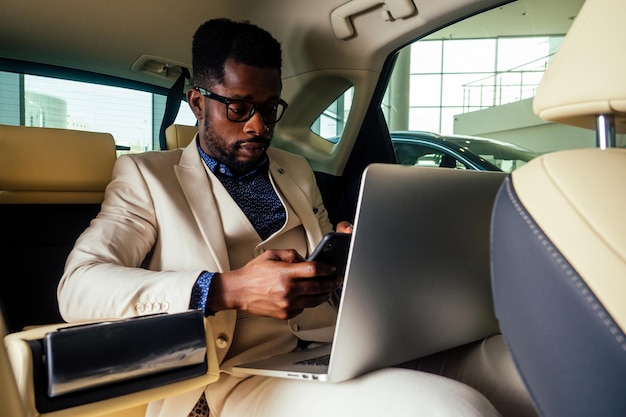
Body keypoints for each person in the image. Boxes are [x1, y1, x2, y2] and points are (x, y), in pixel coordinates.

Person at [58, 18, 525, 417]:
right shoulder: (145, 177)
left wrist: (351, 260)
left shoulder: (295, 169)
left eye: (268, 109)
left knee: (516, 364)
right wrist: (227, 288)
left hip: (340, 346)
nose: (258, 126)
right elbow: (78, 286)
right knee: (447, 409)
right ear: (199, 102)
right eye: (239, 108)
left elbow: (319, 271)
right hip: (231, 376)